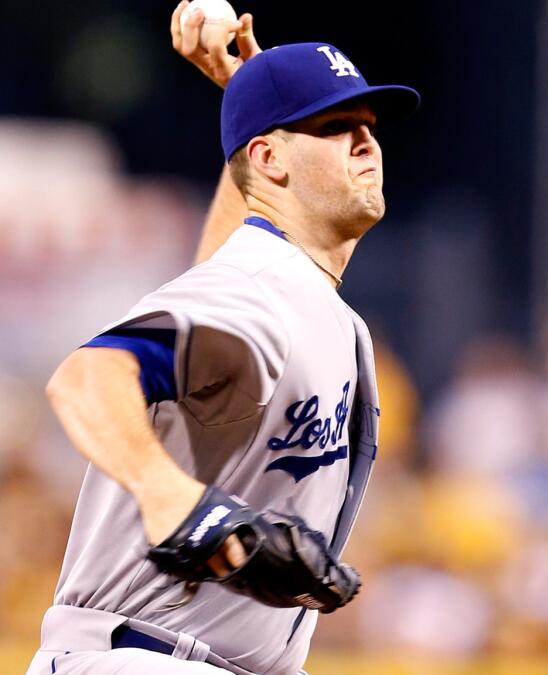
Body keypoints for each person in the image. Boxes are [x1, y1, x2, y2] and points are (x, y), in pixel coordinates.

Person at [26, 5, 420, 673]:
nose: (365, 142)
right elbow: (87, 376)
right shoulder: (264, 290)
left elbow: (221, 294)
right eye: (335, 126)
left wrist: (245, 92)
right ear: (268, 157)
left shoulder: (288, 293)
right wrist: (166, 491)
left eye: (369, 126)